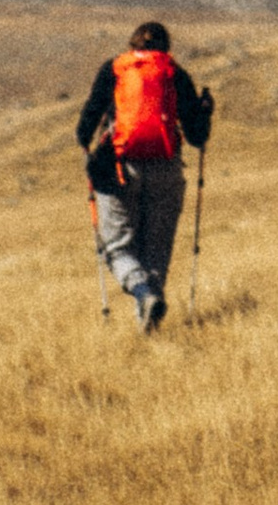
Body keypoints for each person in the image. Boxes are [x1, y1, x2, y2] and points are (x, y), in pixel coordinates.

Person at [75, 20, 214, 332]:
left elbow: (84, 129)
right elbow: (197, 136)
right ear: (166, 48)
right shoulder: (174, 73)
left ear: (132, 45)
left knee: (118, 249)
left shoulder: (114, 70)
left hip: (120, 170)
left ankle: (142, 292)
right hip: (166, 169)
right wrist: (205, 110)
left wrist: (91, 152)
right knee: (157, 250)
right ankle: (149, 325)